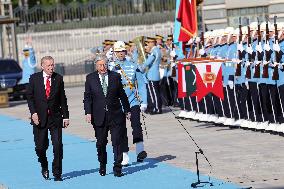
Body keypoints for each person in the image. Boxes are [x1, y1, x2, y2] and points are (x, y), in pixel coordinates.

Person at [84, 54, 131, 177]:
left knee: (117, 141)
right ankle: (102, 164)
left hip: (115, 115)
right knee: (101, 143)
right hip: (98, 116)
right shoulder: (90, 78)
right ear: (96, 66)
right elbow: (87, 98)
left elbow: (122, 95)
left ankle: (117, 167)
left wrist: (127, 110)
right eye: (100, 65)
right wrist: (88, 112)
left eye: (104, 64)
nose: (103, 67)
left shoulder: (115, 76)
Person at [26, 56, 69, 181]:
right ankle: (44, 165)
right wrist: (33, 113)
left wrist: (65, 117)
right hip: (39, 118)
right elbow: (30, 97)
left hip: (55, 118)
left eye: (52, 65)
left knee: (57, 146)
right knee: (40, 147)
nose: (51, 68)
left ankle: (57, 173)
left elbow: (63, 99)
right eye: (48, 65)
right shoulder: (34, 79)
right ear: (42, 66)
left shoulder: (58, 78)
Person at [112, 41, 147, 166]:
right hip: (118, 102)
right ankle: (125, 155)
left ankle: (140, 150)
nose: (120, 53)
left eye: (122, 51)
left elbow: (141, 84)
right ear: (114, 53)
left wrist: (144, 101)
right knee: (121, 129)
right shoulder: (111, 67)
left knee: (136, 124)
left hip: (133, 100)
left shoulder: (133, 65)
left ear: (125, 51)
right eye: (118, 51)